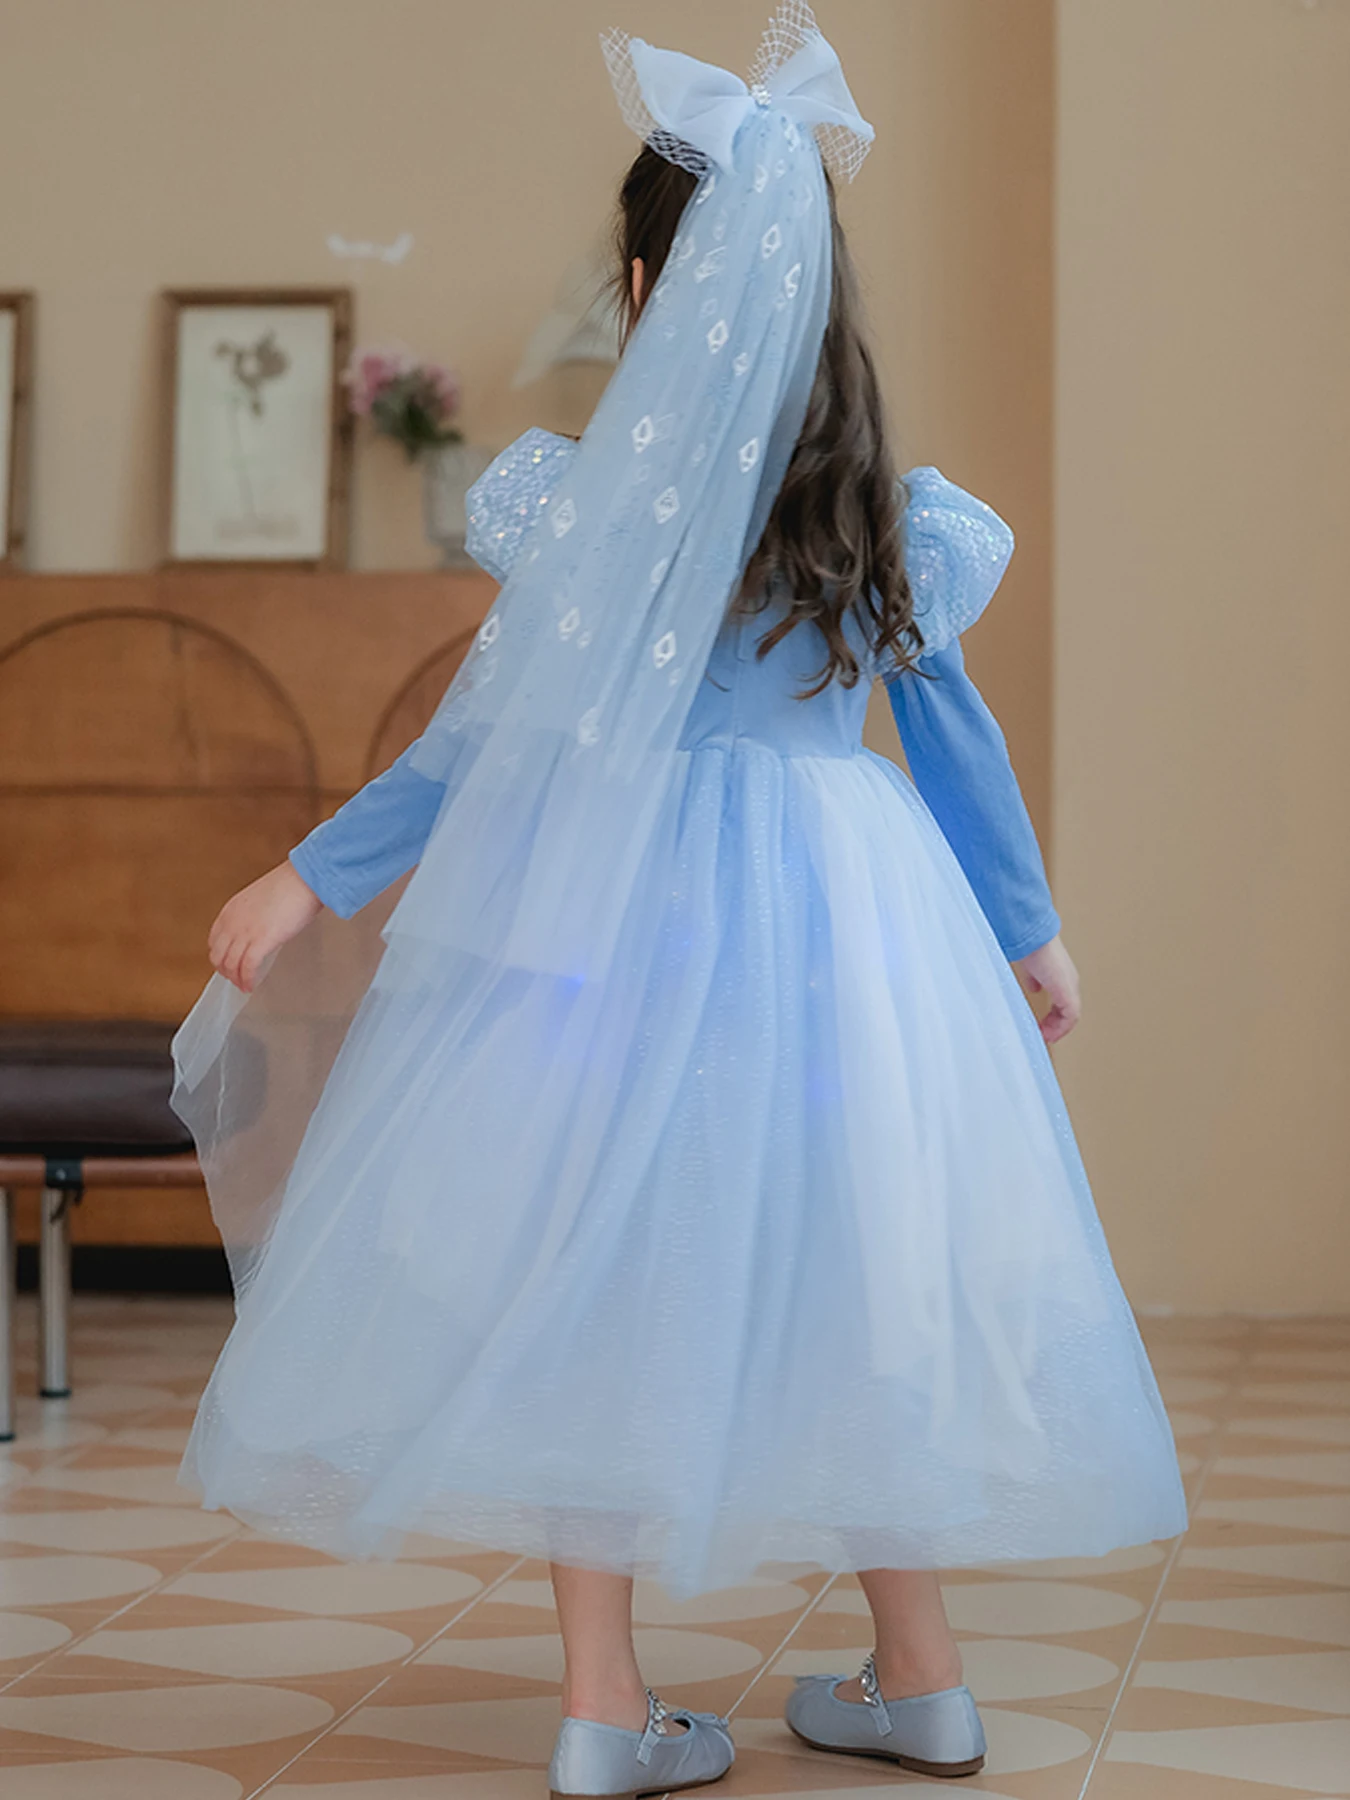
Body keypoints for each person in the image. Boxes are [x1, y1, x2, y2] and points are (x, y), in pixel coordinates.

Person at [173, 8, 1186, 1793]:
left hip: (606, 931)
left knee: (594, 1270)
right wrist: (1026, 932)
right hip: (845, 938)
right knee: (859, 1272)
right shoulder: (882, 517)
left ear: (646, 293)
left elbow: (474, 745)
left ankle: (601, 1707)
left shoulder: (582, 514)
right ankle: (923, 1683)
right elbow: (956, 746)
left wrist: (307, 873)